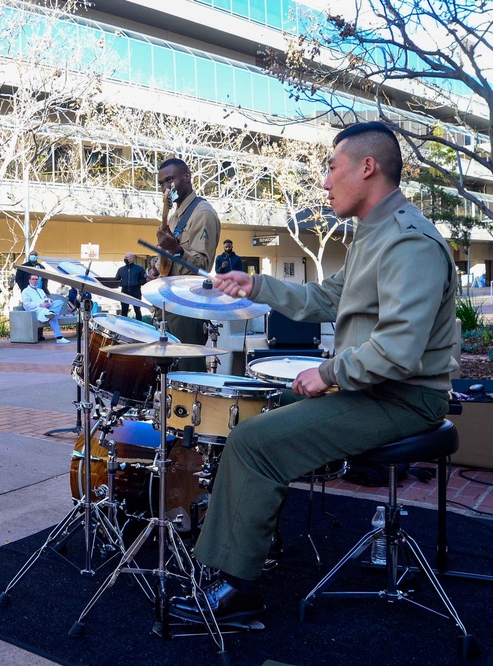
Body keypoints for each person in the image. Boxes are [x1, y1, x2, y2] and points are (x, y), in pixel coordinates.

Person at [174, 122, 457, 622]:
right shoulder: (376, 234)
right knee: (255, 415)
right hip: (374, 389)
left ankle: (240, 589)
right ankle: (249, 546)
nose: (325, 182)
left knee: (254, 442)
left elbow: (399, 349)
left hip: (404, 397)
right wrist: (255, 285)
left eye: (331, 167)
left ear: (366, 168)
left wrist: (328, 374)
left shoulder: (409, 242)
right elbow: (325, 297)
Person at [155, 157, 221, 372]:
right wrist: (156, 268)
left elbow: (203, 265)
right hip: (171, 302)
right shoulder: (173, 217)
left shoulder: (203, 213)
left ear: (187, 177)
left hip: (189, 306)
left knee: (189, 370)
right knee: (171, 372)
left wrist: (178, 250)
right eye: (162, 183)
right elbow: (168, 263)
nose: (166, 187)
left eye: (170, 180)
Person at [21, 274, 71, 344]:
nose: (35, 281)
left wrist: (49, 302)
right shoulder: (25, 291)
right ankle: (59, 337)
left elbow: (46, 299)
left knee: (59, 302)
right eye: (33, 279)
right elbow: (26, 305)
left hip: (46, 308)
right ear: (29, 280)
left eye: (37, 279)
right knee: (52, 317)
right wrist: (40, 305)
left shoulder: (40, 290)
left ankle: (51, 313)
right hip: (36, 310)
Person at [116, 252, 147, 320]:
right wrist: (123, 283)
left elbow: (144, 280)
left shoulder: (139, 269)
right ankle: (124, 326)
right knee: (124, 311)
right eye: (125, 257)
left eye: (127, 257)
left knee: (137, 311)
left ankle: (139, 326)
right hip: (124, 292)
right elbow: (117, 280)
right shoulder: (121, 270)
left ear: (132, 259)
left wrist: (136, 283)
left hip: (136, 292)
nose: (125, 259)